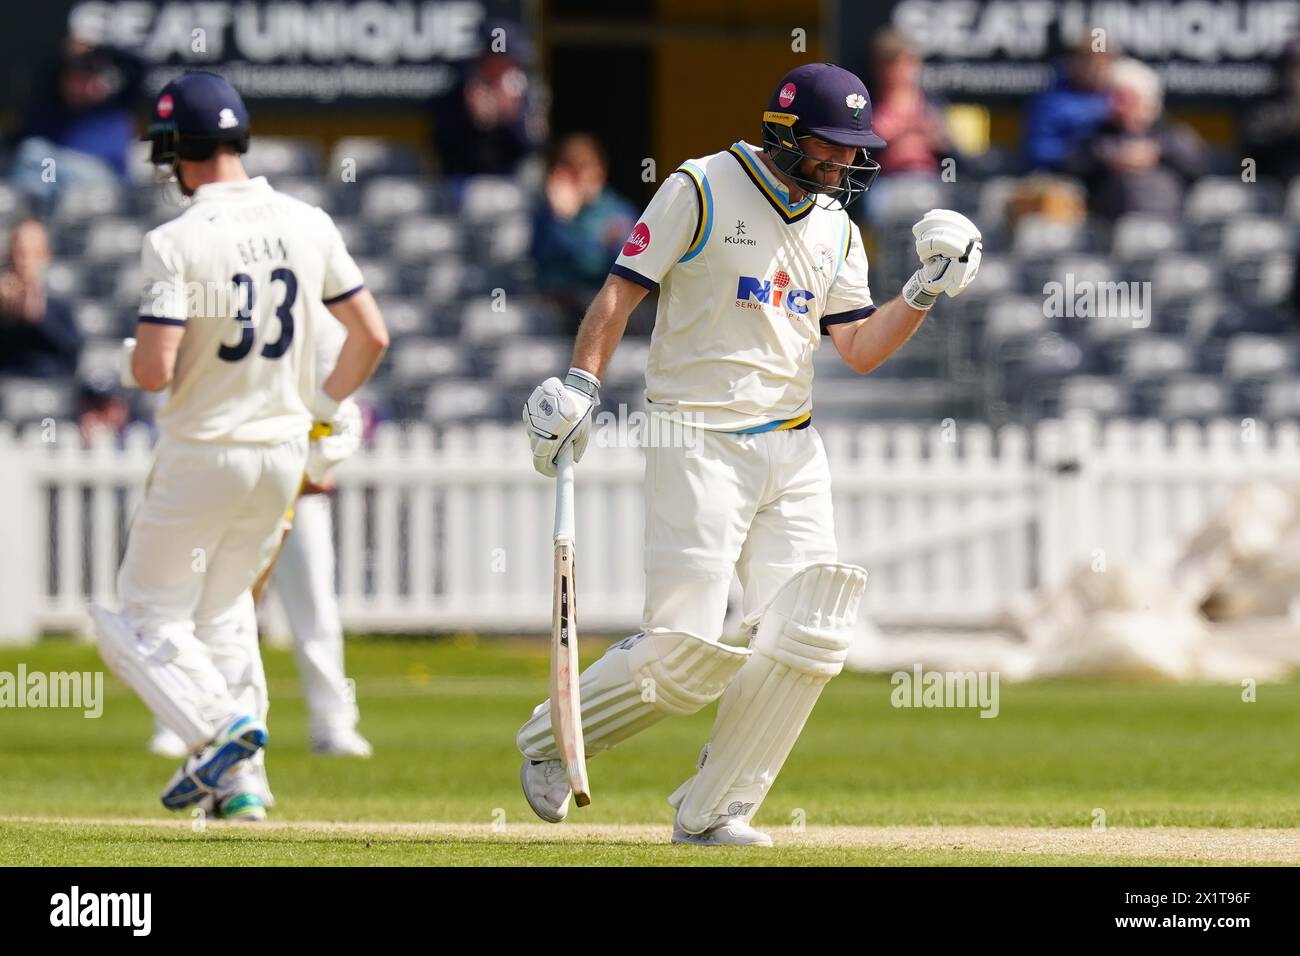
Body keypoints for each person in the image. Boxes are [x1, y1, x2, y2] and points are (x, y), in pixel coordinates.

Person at [518, 62, 983, 845]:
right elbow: (619, 293)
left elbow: (861, 348)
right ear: (785, 133)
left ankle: (714, 810)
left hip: (792, 446)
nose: (841, 166)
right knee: (685, 656)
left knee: (813, 631)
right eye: (828, 148)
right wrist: (580, 384)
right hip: (693, 438)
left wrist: (926, 290)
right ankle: (552, 741)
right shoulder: (699, 187)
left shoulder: (837, 227)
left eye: (852, 152)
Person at [90, 71, 388, 822]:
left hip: (203, 451)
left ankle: (215, 733)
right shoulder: (308, 220)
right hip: (282, 454)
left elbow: (155, 369)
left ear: (172, 152)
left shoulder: (175, 241)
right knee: (222, 615)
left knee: (134, 621)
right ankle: (243, 788)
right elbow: (372, 336)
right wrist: (320, 408)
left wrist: (130, 357)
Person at [1066, 58, 1207, 221]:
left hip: (1170, 228)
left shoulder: (1171, 133)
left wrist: (1156, 153)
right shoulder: (1097, 134)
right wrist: (1110, 158)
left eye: (1122, 97)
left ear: (1144, 99)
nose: (1113, 103)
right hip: (1112, 231)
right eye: (1110, 96)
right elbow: (1072, 168)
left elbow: (1198, 167)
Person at [530, 133, 637, 323]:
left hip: (602, 306)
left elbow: (607, 266)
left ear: (600, 171)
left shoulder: (618, 212)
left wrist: (565, 227)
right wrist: (560, 219)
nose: (581, 179)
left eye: (586, 168)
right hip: (555, 308)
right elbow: (539, 260)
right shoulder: (547, 214)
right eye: (572, 172)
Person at [0, 219, 81, 379]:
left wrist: (40, 319)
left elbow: (72, 352)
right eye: (21, 253)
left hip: (51, 385)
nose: (25, 262)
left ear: (46, 256)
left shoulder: (59, 303)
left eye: (34, 253)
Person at [1022, 39, 1114, 172]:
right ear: (1073, 63)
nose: (1097, 70)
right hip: (1062, 176)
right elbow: (1037, 150)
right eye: (1089, 62)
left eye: (1103, 63)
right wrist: (1083, 154)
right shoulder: (1050, 101)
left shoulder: (1116, 97)